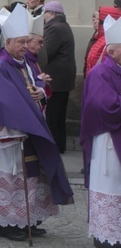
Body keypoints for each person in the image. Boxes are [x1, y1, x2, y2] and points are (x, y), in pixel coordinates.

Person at [0, 4, 73, 241]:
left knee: (30, 178)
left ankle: (26, 219)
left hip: (27, 131)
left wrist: (39, 91)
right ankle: (7, 224)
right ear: (8, 43)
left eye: (27, 41)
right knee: (11, 181)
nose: (25, 47)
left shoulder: (23, 64)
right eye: (20, 42)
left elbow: (36, 86)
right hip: (8, 138)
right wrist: (16, 120)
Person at [80, 15, 121, 248]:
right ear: (113, 52)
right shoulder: (100, 74)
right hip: (108, 141)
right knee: (110, 185)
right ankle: (105, 236)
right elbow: (104, 106)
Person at [42, 1, 76, 154]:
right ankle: (59, 145)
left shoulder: (54, 28)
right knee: (59, 114)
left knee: (53, 115)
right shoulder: (63, 25)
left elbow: (46, 52)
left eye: (45, 12)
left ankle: (53, 147)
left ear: (53, 14)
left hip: (55, 78)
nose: (43, 16)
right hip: (62, 77)